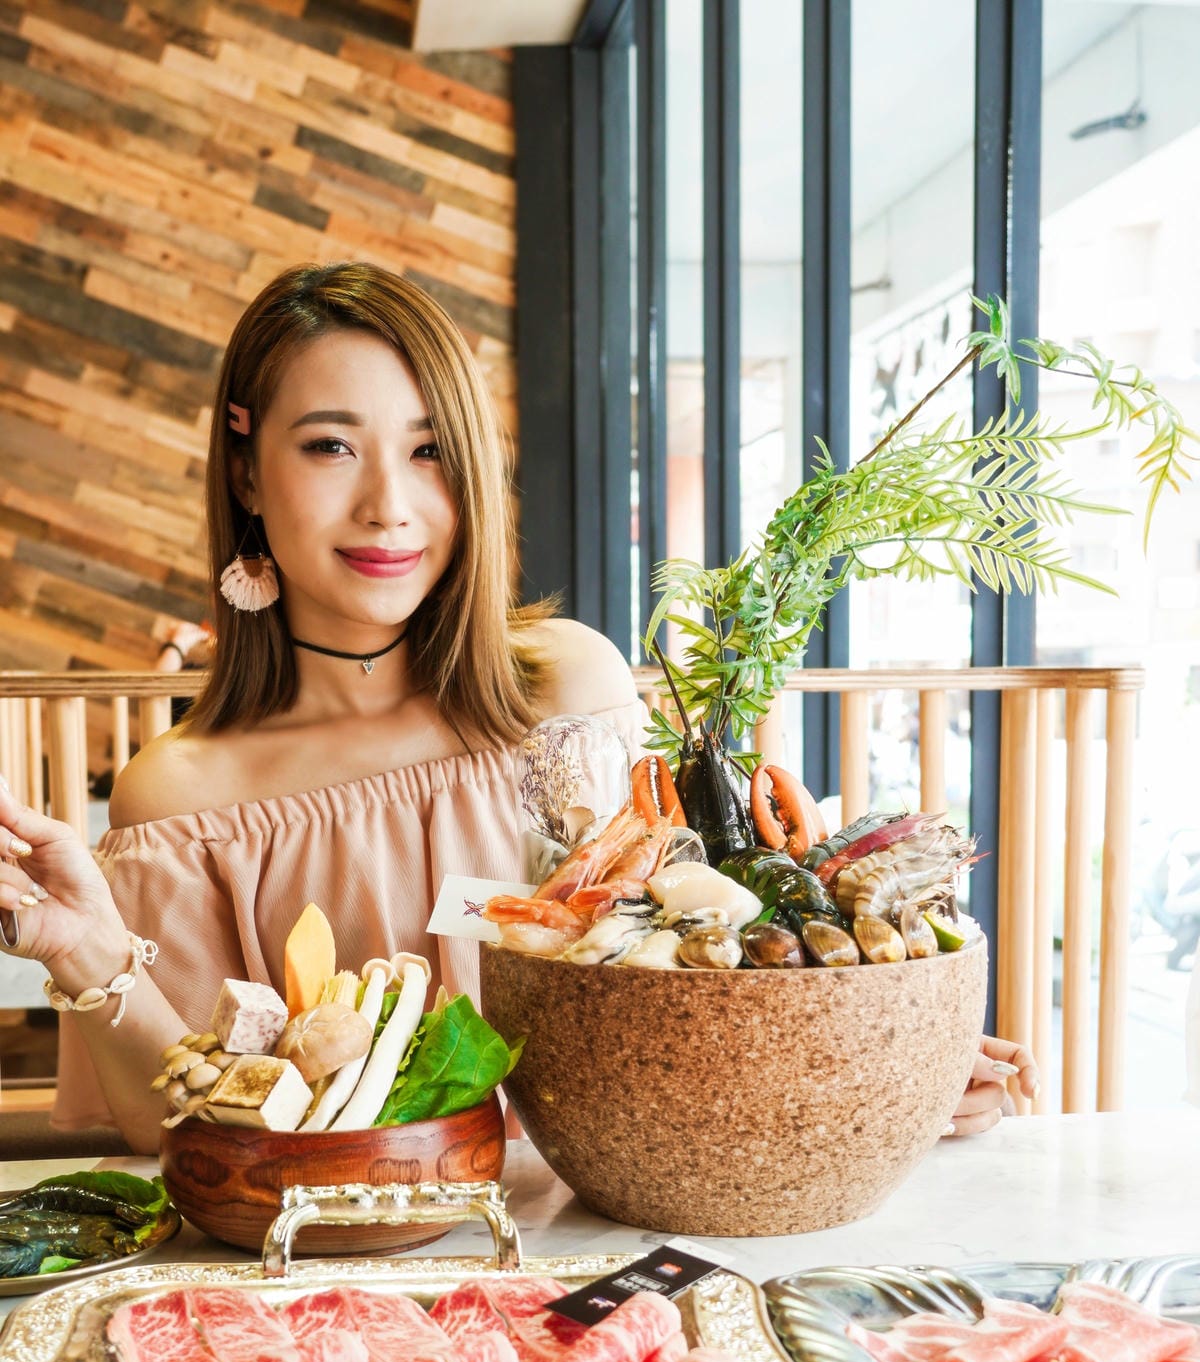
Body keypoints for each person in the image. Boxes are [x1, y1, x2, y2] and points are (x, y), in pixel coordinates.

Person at [0, 261, 1036, 1153]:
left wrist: (874, 1064)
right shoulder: (186, 792)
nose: (389, 506)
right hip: (366, 1263)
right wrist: (83, 951)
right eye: (330, 447)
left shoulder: (564, 689)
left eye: (429, 449)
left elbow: (681, 970)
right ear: (247, 472)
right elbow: (175, 1122)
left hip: (617, 1221)